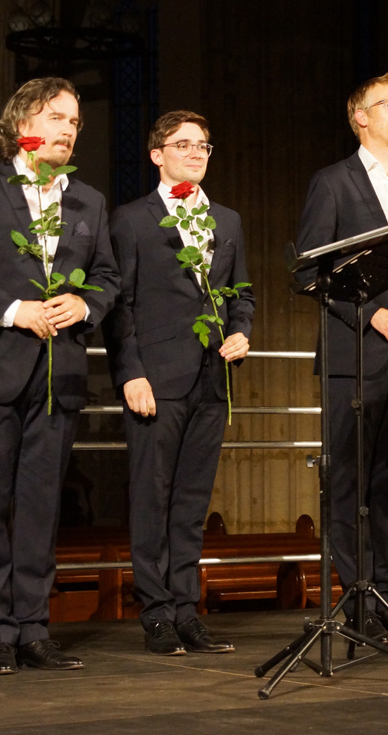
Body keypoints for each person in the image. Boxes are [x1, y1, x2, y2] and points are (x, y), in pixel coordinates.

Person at [0, 77, 119, 674]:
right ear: (24, 121)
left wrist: (84, 306)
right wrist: (13, 310)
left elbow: (108, 278)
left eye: (76, 121)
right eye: (58, 116)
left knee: (40, 506)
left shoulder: (88, 201)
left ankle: (34, 628)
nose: (68, 128)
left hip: (58, 375)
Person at [293, 70, 388, 641]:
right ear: (360, 116)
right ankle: (357, 601)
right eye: (387, 104)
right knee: (349, 484)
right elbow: (310, 271)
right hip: (354, 356)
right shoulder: (332, 183)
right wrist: (371, 314)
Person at [104, 111, 254, 656]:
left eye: (204, 146)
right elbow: (119, 308)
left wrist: (240, 333)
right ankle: (157, 613)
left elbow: (242, 294)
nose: (196, 153)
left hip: (211, 381)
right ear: (156, 154)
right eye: (183, 144)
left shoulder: (227, 221)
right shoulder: (131, 220)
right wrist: (130, 373)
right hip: (155, 381)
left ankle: (187, 609)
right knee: (152, 498)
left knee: (191, 503)